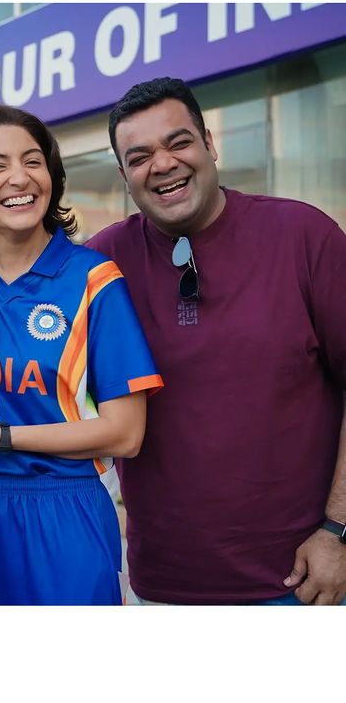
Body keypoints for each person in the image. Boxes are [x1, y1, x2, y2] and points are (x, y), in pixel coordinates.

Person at [86, 77, 346, 605]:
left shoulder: (303, 235)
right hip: (163, 585)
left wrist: (339, 530)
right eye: (139, 156)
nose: (162, 164)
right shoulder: (102, 262)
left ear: (210, 143)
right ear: (124, 176)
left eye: (178, 143)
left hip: (300, 581)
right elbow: (12, 327)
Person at [0, 104, 162, 605]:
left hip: (63, 509)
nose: (19, 177)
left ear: (52, 177)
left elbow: (126, 434)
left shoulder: (93, 279)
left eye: (33, 161)